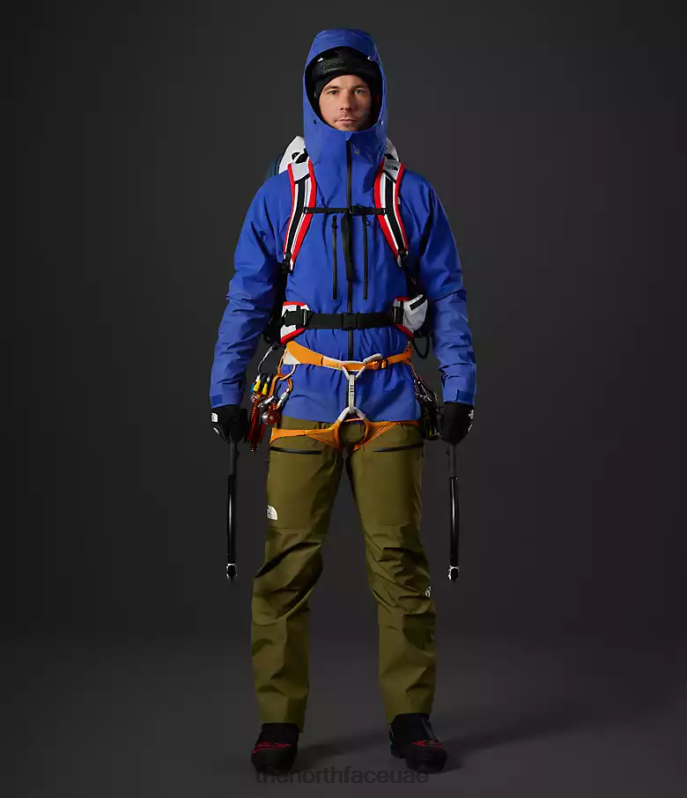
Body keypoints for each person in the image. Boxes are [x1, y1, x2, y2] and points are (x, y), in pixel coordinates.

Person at [209, 28, 476, 776]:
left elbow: (448, 296)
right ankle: (278, 722)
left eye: (360, 88)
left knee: (400, 563)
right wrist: (224, 389)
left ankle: (410, 717)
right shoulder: (281, 197)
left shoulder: (410, 195)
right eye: (332, 90)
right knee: (285, 567)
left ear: (378, 96)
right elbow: (247, 297)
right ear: (312, 98)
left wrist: (460, 387)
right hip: (302, 398)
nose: (347, 102)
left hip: (389, 397)